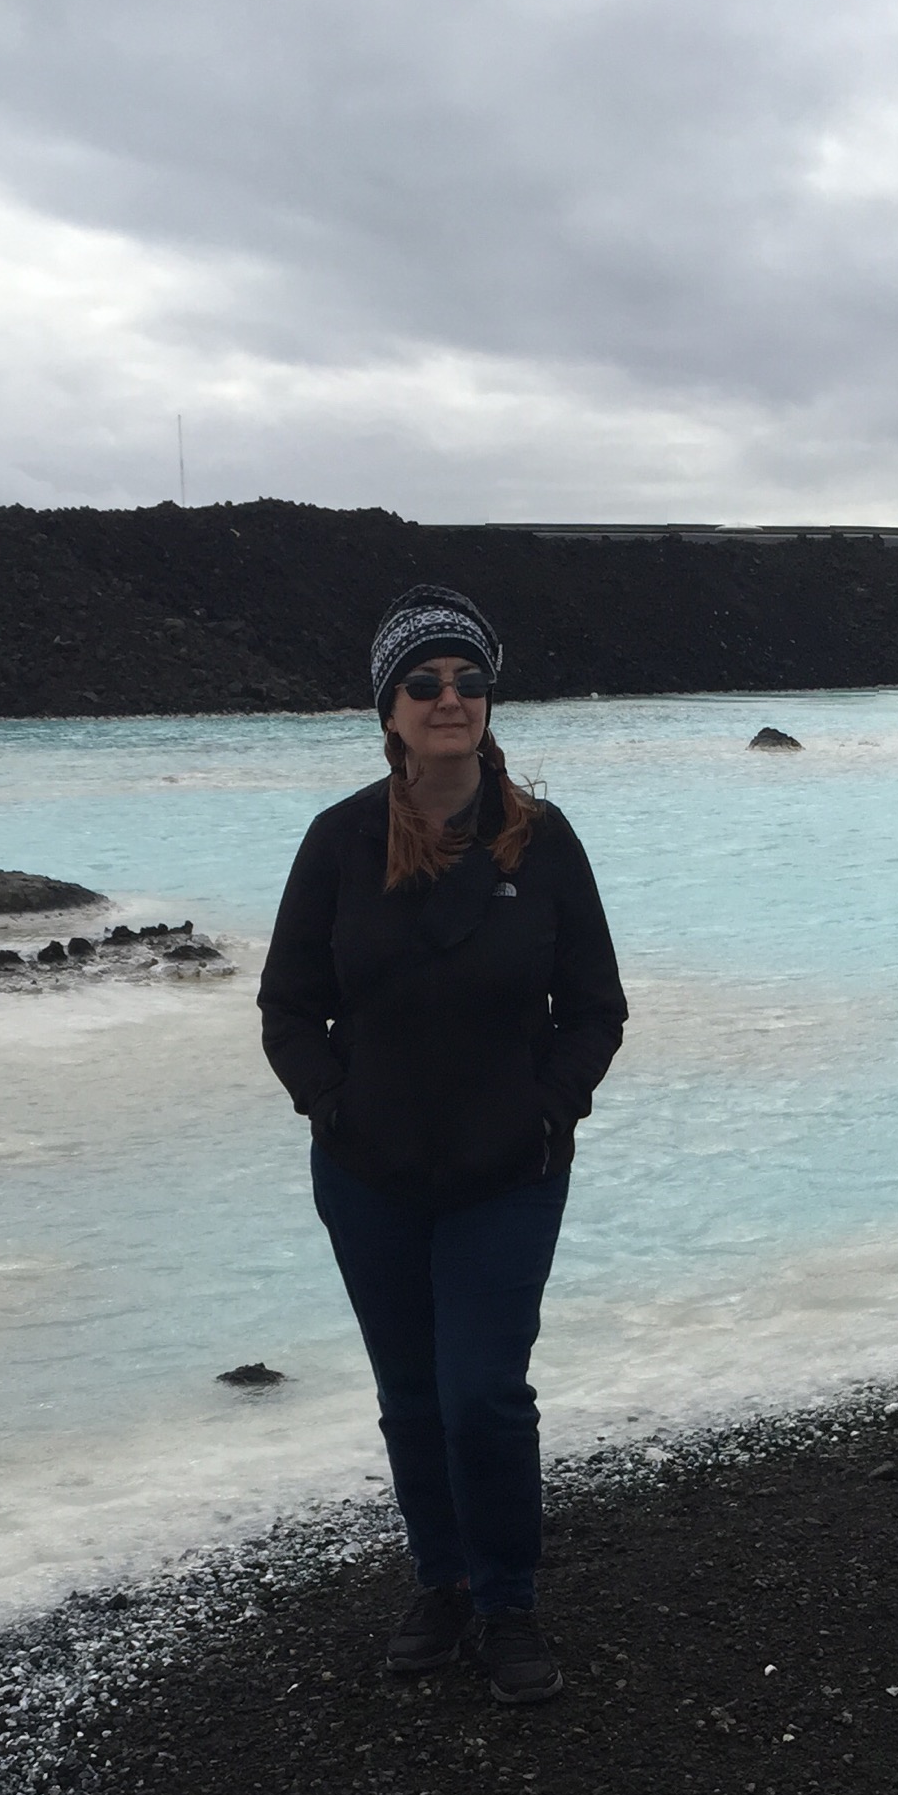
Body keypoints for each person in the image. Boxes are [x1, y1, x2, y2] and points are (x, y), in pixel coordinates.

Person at [257, 586, 628, 1704]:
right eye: (423, 684)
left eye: (467, 680)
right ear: (389, 710)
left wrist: (552, 1106)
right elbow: (287, 1006)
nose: (448, 698)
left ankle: (508, 1600)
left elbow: (596, 1008)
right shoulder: (340, 842)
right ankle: (442, 1580)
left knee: (483, 1396)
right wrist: (330, 1104)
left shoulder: (543, 840)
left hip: (508, 1171)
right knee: (412, 1395)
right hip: (369, 1173)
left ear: (489, 701)